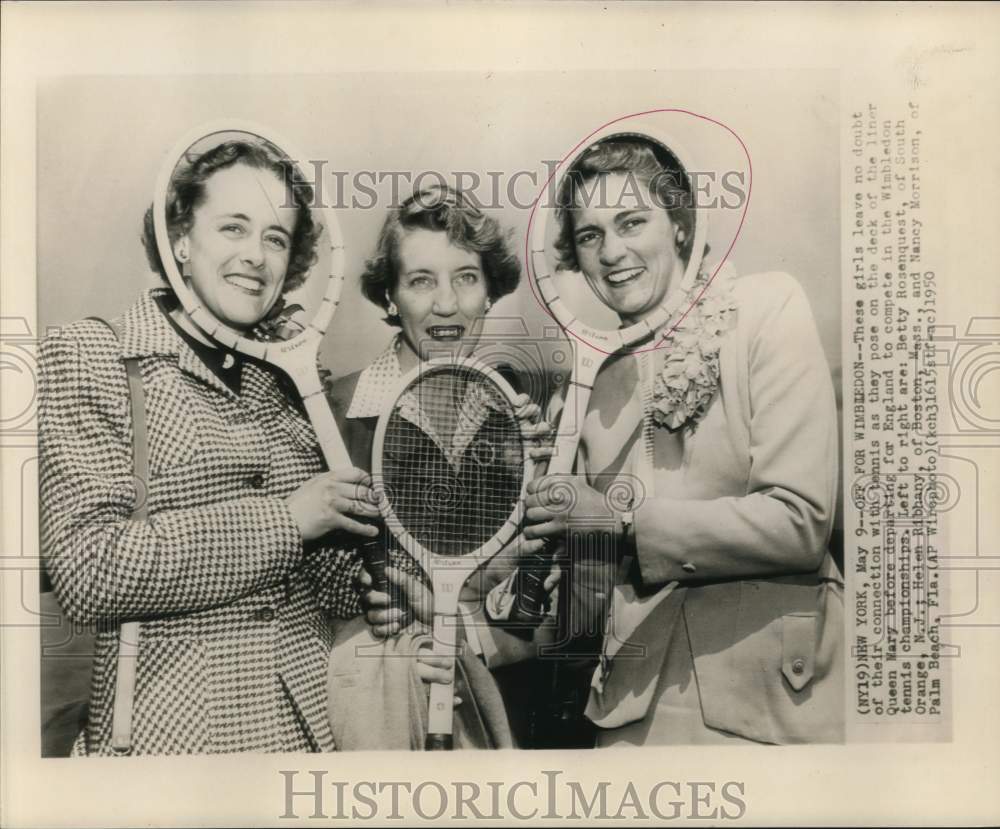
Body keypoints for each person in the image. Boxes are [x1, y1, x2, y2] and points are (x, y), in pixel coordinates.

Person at [38, 137, 379, 755]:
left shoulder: (286, 382)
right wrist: (289, 520)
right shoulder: (89, 355)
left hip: (302, 741)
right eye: (233, 228)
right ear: (181, 242)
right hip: (173, 744)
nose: (256, 256)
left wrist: (362, 568)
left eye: (275, 238)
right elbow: (90, 573)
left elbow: (318, 593)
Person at [519, 135, 844, 745]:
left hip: (773, 708)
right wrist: (550, 570)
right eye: (590, 235)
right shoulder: (592, 382)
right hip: (629, 719)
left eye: (632, 222)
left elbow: (802, 523)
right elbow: (594, 589)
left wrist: (614, 522)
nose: (612, 251)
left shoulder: (766, 307)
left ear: (680, 226)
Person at [322, 185, 556, 747]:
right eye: (421, 280)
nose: (445, 304)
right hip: (370, 712)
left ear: (490, 293)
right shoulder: (333, 413)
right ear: (390, 297)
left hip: (496, 705)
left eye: (466, 277)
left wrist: (464, 622)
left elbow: (551, 610)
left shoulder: (531, 418)